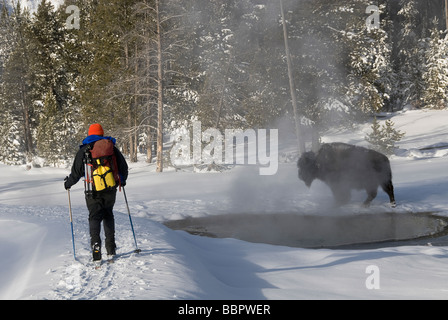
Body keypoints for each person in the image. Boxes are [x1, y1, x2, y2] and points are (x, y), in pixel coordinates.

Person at [64, 123, 128, 262]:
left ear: (89, 134)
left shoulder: (84, 150)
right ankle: (111, 249)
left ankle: (96, 246)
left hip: (92, 190)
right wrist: (121, 181)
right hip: (110, 189)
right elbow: (123, 167)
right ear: (101, 133)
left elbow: (76, 173)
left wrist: (68, 184)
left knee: (94, 216)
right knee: (108, 215)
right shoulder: (110, 148)